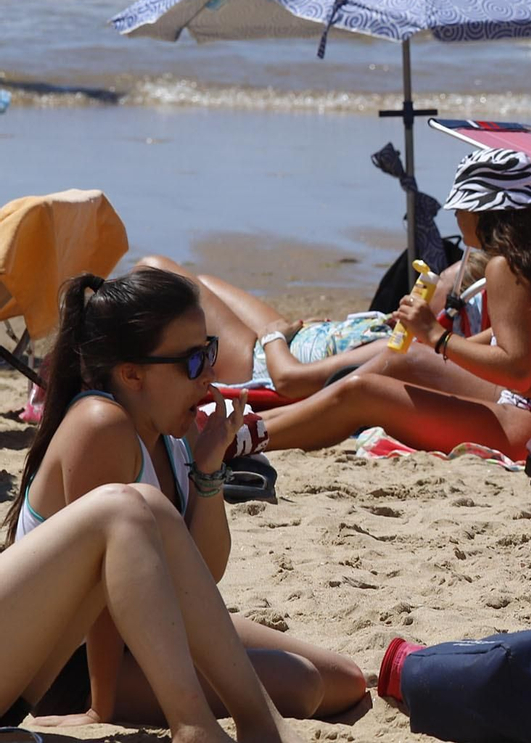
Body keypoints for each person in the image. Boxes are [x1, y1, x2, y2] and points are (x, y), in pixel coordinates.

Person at [2, 269, 366, 724]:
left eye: (209, 351)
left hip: (148, 626)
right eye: (192, 362)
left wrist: (208, 469)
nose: (210, 374)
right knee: (301, 685)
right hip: (69, 666)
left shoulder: (171, 427)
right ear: (131, 373)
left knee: (345, 679)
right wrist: (101, 708)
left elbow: (203, 574)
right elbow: (99, 595)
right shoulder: (100, 426)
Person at [256, 148, 531, 457]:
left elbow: (518, 369)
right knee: (405, 358)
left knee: (362, 393)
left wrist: (437, 336)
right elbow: (522, 336)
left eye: (461, 208)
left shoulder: (506, 267)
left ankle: (247, 438)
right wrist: (432, 345)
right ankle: (264, 424)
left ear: (484, 212)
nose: (457, 216)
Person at [2, 487, 310, 743]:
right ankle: (194, 726)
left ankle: (261, 724)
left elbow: (208, 566)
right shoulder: (99, 434)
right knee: (121, 510)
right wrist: (100, 707)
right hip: (74, 674)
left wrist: (208, 472)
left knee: (150, 505)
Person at [130, 253, 486, 401]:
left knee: (154, 266)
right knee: (205, 283)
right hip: (289, 340)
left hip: (261, 363)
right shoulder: (398, 334)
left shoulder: (398, 348)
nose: (415, 292)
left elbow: (290, 381)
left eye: (430, 289)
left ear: (452, 314)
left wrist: (274, 337)